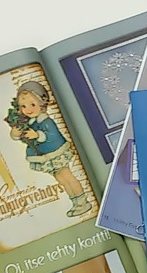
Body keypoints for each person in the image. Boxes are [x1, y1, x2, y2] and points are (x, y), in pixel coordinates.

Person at [9, 81, 92, 217]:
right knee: (62, 179)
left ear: (42, 103)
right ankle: (76, 203)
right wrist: (15, 133)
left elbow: (53, 135)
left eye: (32, 105)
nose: (28, 109)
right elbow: (21, 137)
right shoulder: (29, 122)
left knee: (67, 176)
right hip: (45, 156)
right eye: (23, 106)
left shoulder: (46, 121)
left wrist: (37, 135)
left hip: (56, 153)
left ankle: (83, 202)